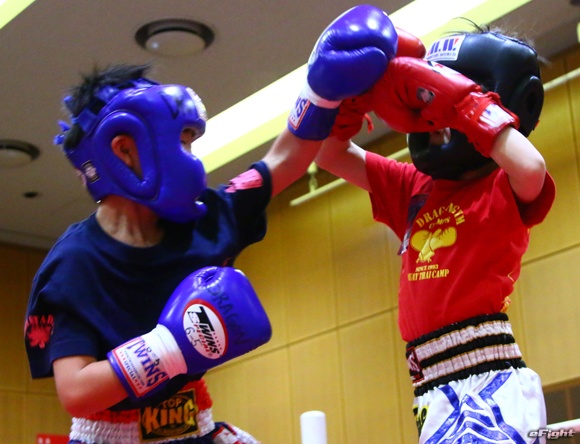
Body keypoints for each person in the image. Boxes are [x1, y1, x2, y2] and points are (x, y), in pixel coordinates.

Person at [23, 5, 400, 443]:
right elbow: (75, 392)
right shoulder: (75, 262)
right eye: (181, 142)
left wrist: (322, 91)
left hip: (197, 427)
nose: (191, 158)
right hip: (110, 436)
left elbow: (285, 159)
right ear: (124, 150)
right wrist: (168, 347)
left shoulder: (207, 215)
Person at [315, 24, 556, 444]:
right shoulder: (412, 187)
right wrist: (349, 95)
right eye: (425, 100)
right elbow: (328, 153)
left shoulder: (501, 184)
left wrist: (460, 101)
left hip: (490, 378)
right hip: (429, 386)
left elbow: (531, 166)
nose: (434, 119)